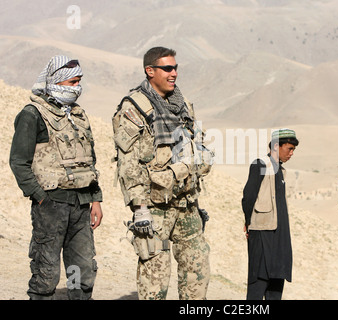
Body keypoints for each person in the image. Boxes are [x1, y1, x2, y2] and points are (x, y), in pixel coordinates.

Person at [112, 46, 213, 300]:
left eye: (176, 67)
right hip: (155, 207)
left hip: (186, 203)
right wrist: (139, 208)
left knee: (197, 271)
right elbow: (129, 163)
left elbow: (197, 143)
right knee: (155, 277)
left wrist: (201, 162)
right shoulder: (134, 108)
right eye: (167, 68)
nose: (174, 73)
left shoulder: (182, 104)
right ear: (150, 71)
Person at [9, 55, 103, 300]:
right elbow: (19, 162)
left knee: (81, 272)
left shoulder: (79, 116)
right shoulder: (32, 115)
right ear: (57, 82)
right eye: (72, 82)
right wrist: (40, 197)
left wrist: (95, 199)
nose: (77, 88)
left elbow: (89, 160)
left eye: (79, 81)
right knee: (46, 272)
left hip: (81, 206)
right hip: (51, 206)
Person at [241, 128, 298, 300]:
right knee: (258, 284)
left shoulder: (281, 171)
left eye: (293, 150)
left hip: (279, 236)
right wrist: (248, 221)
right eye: (289, 148)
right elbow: (248, 197)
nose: (292, 153)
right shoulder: (260, 165)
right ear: (276, 146)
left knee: (276, 285)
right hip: (262, 233)